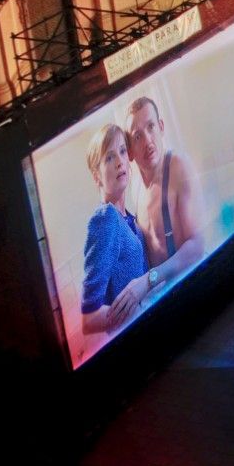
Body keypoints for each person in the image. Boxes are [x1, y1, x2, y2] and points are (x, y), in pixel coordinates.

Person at [116, 96, 206, 324]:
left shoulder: (178, 166)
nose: (147, 140)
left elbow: (197, 246)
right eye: (137, 136)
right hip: (164, 301)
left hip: (192, 293)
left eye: (151, 127)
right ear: (131, 152)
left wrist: (148, 280)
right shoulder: (135, 188)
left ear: (162, 127)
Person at [80, 124, 150, 334]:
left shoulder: (129, 218)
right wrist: (137, 314)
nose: (120, 161)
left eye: (122, 151)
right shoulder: (106, 219)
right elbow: (89, 319)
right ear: (96, 176)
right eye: (109, 158)